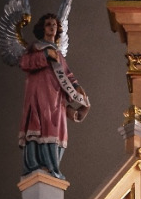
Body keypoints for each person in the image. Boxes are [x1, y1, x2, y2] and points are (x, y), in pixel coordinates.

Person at [19, 13, 89, 179]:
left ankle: (53, 166)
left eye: (54, 25)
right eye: (48, 24)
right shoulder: (36, 47)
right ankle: (36, 164)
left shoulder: (59, 54)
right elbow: (24, 62)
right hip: (39, 94)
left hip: (57, 97)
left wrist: (77, 88)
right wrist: (44, 55)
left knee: (57, 128)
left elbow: (67, 74)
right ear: (42, 28)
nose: (52, 27)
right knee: (39, 126)